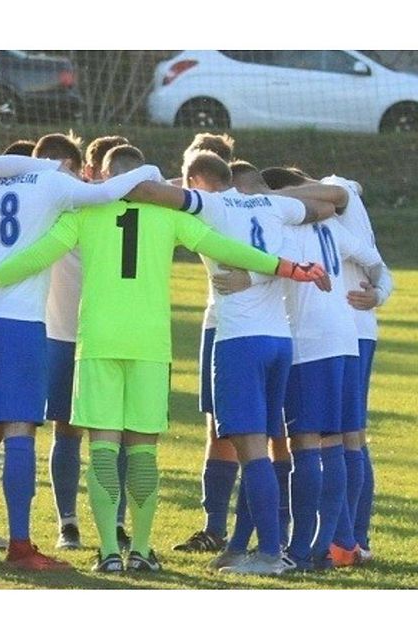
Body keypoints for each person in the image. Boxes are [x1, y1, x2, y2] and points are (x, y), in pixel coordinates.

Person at [0, 151, 329, 573]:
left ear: (107, 177)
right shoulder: (169, 217)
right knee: (142, 453)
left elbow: (35, 255)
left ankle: (107, 553)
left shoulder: (84, 215)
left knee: (103, 449)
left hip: (99, 342)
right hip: (149, 345)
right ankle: (140, 550)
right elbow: (225, 248)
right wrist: (289, 268)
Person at [0, 134, 162, 570]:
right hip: (22, 321)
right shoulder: (50, 184)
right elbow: (109, 190)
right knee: (19, 434)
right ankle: (20, 544)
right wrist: (151, 172)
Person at [126, 153, 335, 575]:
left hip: (240, 340)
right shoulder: (274, 204)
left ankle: (271, 554)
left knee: (250, 449)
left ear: (197, 180)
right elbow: (327, 205)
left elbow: (145, 191)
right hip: (279, 340)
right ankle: (243, 545)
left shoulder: (213, 204)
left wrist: (130, 183)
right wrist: (283, 195)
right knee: (263, 447)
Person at [259, 167, 392, 568]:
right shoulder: (333, 229)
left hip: (309, 342)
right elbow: (377, 263)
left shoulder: (287, 228)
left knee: (306, 444)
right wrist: (380, 291)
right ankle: (341, 543)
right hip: (345, 341)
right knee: (336, 441)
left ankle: (302, 551)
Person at [49, 135, 134, 551]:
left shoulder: (134, 209)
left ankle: (115, 521)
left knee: (111, 432)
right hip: (64, 334)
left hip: (108, 336)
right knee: (66, 429)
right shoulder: (64, 203)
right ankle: (68, 521)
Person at [171, 132, 241, 554]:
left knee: (228, 430)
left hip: (229, 325)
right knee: (242, 430)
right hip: (266, 326)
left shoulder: (209, 204)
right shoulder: (256, 198)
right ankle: (226, 527)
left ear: (196, 176)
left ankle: (220, 525)